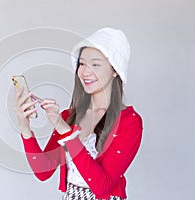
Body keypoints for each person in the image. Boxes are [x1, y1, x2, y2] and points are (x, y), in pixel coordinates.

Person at [14, 27, 143, 200]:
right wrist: (25, 127)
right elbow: (43, 171)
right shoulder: (70, 115)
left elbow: (101, 186)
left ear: (115, 70)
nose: (85, 72)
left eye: (96, 64)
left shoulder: (129, 122)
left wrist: (64, 130)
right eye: (82, 64)